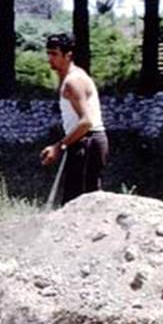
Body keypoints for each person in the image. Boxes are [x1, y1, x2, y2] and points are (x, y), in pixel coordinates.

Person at [40, 32, 109, 204]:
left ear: (68, 55)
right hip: (81, 141)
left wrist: (59, 146)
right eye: (48, 53)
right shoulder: (73, 77)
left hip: (88, 141)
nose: (50, 58)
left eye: (54, 54)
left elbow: (86, 122)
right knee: (74, 202)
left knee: (82, 205)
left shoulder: (74, 81)